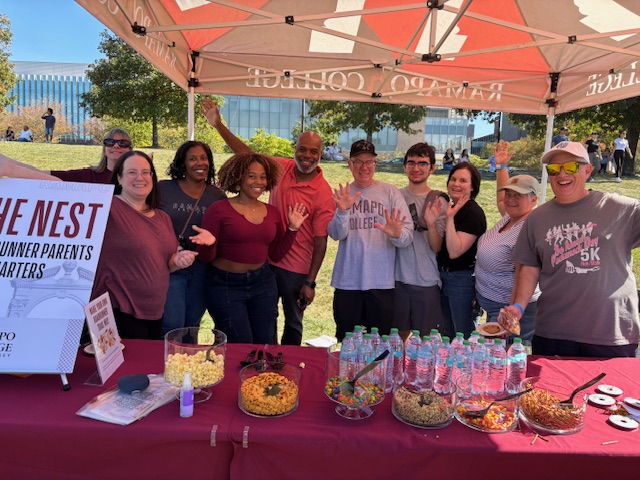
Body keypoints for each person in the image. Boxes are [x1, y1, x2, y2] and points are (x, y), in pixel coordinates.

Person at [202, 98, 335, 346]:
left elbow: (321, 241)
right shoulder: (281, 168)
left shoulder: (323, 193)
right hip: (266, 261)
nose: (307, 156)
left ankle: (290, 364)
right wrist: (218, 125)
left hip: (296, 269)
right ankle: (268, 362)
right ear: (295, 148)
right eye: (302, 149)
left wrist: (310, 281)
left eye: (313, 151)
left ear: (321, 153)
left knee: (293, 321)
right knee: (266, 321)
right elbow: (246, 155)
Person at [504, 141, 640, 358]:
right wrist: (519, 307)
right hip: (554, 333)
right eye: (554, 169)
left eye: (570, 167)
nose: (561, 174)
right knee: (550, 392)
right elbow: (530, 267)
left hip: (610, 332)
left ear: (587, 170)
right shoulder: (537, 218)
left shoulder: (620, 208)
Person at [93, 151, 213, 339]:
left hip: (154, 311)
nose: (140, 178)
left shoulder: (162, 217)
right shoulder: (108, 207)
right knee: (126, 367)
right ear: (119, 178)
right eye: (132, 172)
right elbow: (62, 188)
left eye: (145, 172)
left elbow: (167, 263)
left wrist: (179, 260)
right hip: (119, 310)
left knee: (146, 365)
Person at [198, 152, 308, 345]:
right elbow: (207, 258)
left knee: (264, 342)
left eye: (263, 177)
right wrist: (208, 244)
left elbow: (275, 254)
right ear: (239, 177)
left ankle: (264, 376)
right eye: (252, 176)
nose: (258, 181)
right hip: (225, 285)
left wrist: (292, 229)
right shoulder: (219, 209)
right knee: (239, 344)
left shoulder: (273, 213)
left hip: (262, 283)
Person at [328, 140, 413, 341]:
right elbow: (335, 234)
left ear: (375, 164)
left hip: (381, 283)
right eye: (358, 162)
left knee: (379, 344)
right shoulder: (343, 194)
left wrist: (396, 234)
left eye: (369, 162)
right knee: (348, 343)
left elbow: (407, 237)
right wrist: (342, 211)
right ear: (350, 164)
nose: (363, 167)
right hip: (347, 282)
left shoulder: (390, 192)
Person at [158, 141, 227, 337]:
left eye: (204, 158)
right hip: (171, 268)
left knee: (191, 327)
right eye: (193, 158)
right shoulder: (164, 189)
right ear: (182, 163)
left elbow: (223, 232)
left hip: (201, 271)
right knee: (172, 326)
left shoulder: (217, 196)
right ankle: (165, 365)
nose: (200, 163)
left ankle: (189, 366)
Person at [474, 141, 539, 342]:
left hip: (507, 309)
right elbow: (501, 200)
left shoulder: (528, 227)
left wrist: (510, 315)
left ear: (533, 200)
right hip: (491, 301)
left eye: (518, 195)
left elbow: (522, 275)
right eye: (509, 193)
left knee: (502, 357)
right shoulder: (511, 216)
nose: (510, 199)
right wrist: (501, 166)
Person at [394, 142, 447, 341]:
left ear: (432, 168)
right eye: (412, 162)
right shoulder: (394, 196)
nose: (416, 168)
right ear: (404, 166)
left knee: (426, 342)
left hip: (426, 279)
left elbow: (436, 246)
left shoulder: (438, 201)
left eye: (423, 163)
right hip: (396, 278)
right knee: (396, 340)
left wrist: (432, 225)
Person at [427, 162, 487, 339]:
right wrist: (432, 224)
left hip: (462, 281)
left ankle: (465, 368)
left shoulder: (473, 213)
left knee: (462, 336)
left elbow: (454, 251)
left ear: (473, 186)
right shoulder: (454, 208)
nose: (456, 184)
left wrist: (450, 218)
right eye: (453, 179)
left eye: (463, 180)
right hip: (444, 277)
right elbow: (438, 247)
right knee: (447, 334)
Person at [0, 128, 132, 183]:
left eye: (122, 143)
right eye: (110, 142)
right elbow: (44, 176)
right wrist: (9, 166)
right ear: (104, 149)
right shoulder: (89, 176)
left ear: (130, 149)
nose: (116, 146)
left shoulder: (136, 179)